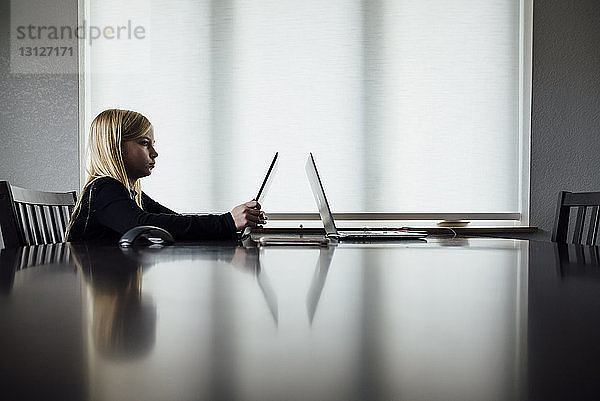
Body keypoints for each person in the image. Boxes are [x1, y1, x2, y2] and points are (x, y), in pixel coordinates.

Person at [66, 109, 265, 242]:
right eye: (145, 143)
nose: (154, 152)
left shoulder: (130, 192)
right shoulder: (103, 188)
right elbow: (145, 225)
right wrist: (227, 222)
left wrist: (230, 226)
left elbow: (173, 220)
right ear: (115, 146)